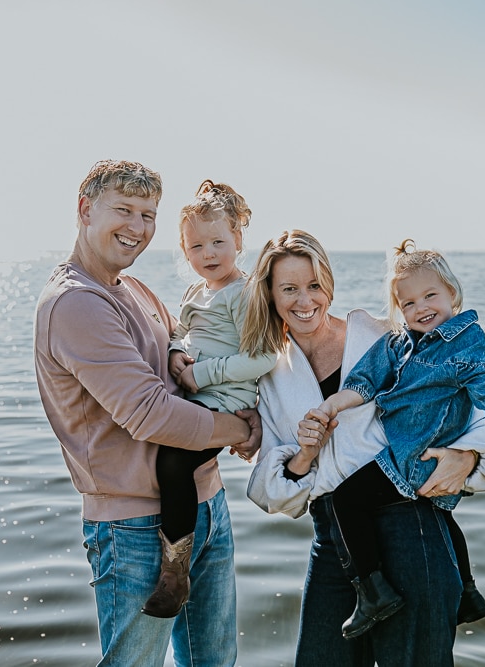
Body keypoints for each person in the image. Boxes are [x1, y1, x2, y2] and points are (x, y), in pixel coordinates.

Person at [244, 230, 485, 667]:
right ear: (270, 295)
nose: (304, 300)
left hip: (410, 525)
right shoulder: (269, 371)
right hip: (333, 535)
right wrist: (305, 455)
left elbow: (467, 406)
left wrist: (471, 457)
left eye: (314, 285)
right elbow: (270, 493)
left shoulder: (384, 338)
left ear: (329, 283)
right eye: (288, 288)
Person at [33, 159, 260, 667]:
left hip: (206, 503)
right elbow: (151, 416)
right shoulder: (77, 304)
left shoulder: (134, 289)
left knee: (214, 662)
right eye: (125, 210)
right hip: (134, 523)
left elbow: (197, 355)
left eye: (149, 215)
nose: (137, 228)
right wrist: (240, 427)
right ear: (85, 209)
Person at [311, 239, 485, 639]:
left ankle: (371, 591)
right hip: (418, 455)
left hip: (414, 459)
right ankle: (469, 593)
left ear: (452, 293)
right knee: (443, 513)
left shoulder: (466, 342)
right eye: (408, 303)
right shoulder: (399, 343)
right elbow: (367, 381)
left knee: (347, 500)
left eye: (430, 296)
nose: (420, 308)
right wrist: (336, 403)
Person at [141, 180, 278, 618]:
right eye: (196, 246)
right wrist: (176, 353)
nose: (209, 253)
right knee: (171, 459)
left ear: (238, 240)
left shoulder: (244, 292)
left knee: (173, 458)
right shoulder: (195, 293)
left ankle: (174, 571)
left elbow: (263, 358)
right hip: (199, 397)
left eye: (218, 241)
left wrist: (201, 373)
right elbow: (183, 333)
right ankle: (178, 563)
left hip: (227, 401)